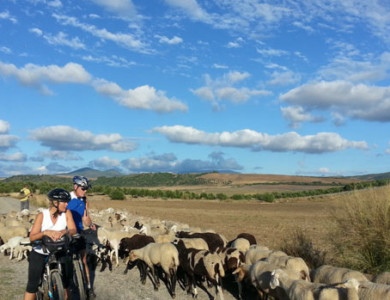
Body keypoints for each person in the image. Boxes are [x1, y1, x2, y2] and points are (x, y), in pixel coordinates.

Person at [24, 188, 77, 300]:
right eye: (65, 202)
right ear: (55, 203)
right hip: (41, 250)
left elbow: (73, 230)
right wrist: (45, 233)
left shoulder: (67, 213)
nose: (67, 204)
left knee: (68, 280)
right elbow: (32, 237)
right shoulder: (42, 215)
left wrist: (65, 231)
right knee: (32, 285)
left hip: (60, 248)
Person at [67, 175, 96, 297]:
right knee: (66, 261)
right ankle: (65, 287)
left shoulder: (84, 200)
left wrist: (90, 224)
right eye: (83, 188)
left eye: (86, 189)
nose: (85, 191)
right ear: (75, 186)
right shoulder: (66, 198)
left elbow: (85, 217)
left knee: (84, 260)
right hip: (66, 233)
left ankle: (88, 287)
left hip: (79, 232)